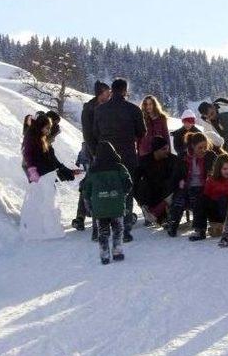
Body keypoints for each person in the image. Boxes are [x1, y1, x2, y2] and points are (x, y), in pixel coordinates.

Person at [92, 78, 146, 242]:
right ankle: (124, 230)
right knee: (126, 192)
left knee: (104, 191)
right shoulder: (133, 109)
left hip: (104, 157)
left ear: (112, 90)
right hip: (127, 156)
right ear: (124, 91)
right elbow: (142, 132)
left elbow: (95, 133)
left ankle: (101, 229)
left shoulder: (100, 110)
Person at [83, 141, 133, 265]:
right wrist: (123, 194)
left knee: (103, 232)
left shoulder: (92, 170)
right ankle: (117, 252)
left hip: (100, 209)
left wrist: (88, 202)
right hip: (116, 206)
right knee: (118, 230)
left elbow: (86, 188)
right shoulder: (119, 167)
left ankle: (104, 255)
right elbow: (128, 183)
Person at [73, 81, 111, 232]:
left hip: (107, 151)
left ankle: (107, 213)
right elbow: (87, 134)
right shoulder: (89, 109)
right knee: (89, 182)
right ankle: (80, 217)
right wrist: (95, 153)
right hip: (92, 152)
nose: (110, 94)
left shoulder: (108, 107)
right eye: (107, 91)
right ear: (101, 92)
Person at [167, 132, 217, 239]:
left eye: (205, 147)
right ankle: (173, 224)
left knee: (199, 199)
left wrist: (211, 176)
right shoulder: (183, 156)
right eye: (200, 147)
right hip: (187, 186)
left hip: (204, 187)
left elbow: (217, 172)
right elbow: (175, 175)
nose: (203, 150)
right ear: (193, 146)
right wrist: (180, 181)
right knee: (180, 198)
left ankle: (200, 229)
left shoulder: (210, 156)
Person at [133, 136, 179, 226]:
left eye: (167, 148)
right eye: (164, 149)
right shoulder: (145, 161)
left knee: (168, 186)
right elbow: (135, 179)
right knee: (143, 184)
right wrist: (139, 200)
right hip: (151, 190)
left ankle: (159, 216)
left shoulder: (172, 159)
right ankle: (150, 211)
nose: (167, 151)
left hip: (167, 190)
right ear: (156, 150)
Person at [21, 113, 76, 183]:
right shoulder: (31, 137)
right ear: (41, 126)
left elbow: (52, 159)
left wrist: (66, 171)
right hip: (33, 169)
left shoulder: (43, 140)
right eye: (47, 128)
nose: (48, 131)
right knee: (39, 191)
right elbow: (27, 154)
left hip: (42, 171)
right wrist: (32, 170)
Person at [203, 153, 228, 236]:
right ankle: (200, 229)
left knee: (225, 198)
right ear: (219, 169)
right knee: (201, 199)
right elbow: (206, 196)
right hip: (217, 212)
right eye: (225, 169)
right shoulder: (212, 180)